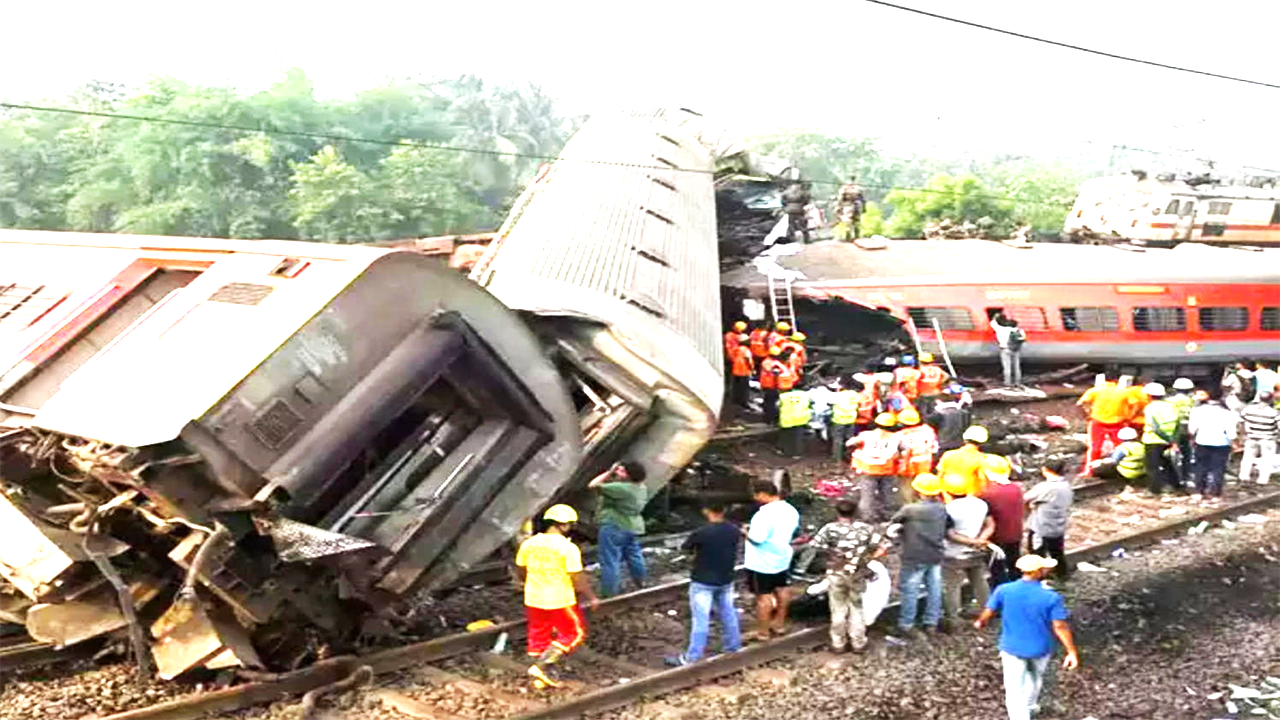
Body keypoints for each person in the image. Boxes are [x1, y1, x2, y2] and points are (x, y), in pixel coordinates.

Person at [974, 555, 1080, 720]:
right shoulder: (1051, 597)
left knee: (1014, 689)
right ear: (1037, 572)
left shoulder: (1004, 590)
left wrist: (981, 621)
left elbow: (989, 610)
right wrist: (1071, 651)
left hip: (1011, 647)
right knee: (1035, 678)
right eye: (1044, 568)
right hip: (1040, 647)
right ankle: (1030, 706)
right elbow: (1059, 626)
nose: (1047, 570)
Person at [516, 504, 599, 688]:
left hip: (533, 597)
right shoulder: (567, 548)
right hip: (560, 599)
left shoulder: (529, 544)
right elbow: (577, 576)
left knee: (538, 633)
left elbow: (522, 570)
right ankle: (542, 666)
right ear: (565, 525)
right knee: (574, 633)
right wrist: (591, 596)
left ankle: (539, 675)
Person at [806, 499, 887, 652]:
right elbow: (882, 548)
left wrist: (832, 554)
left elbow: (815, 546)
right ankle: (858, 642)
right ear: (855, 512)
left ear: (837, 512)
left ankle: (838, 643)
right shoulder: (866, 529)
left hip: (835, 573)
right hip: (857, 573)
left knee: (837, 608)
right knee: (856, 607)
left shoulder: (829, 529)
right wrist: (866, 559)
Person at [668, 501, 742, 666]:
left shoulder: (701, 532)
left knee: (700, 619)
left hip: (703, 580)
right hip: (726, 579)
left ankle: (692, 657)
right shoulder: (733, 530)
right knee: (728, 613)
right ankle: (733, 647)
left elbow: (686, 549)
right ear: (725, 509)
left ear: (706, 510)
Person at [890, 473, 950, 638]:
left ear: (918, 491)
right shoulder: (942, 509)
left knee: (910, 590)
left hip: (914, 555)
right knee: (935, 589)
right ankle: (931, 622)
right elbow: (949, 526)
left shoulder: (910, 509)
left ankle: (906, 624)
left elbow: (894, 522)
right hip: (935, 554)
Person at [743, 480, 800, 640]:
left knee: (764, 596)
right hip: (782, 557)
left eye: (755, 495)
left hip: (762, 562)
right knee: (782, 589)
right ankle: (779, 624)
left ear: (762, 494)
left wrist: (745, 532)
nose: (754, 498)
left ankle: (763, 632)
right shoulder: (791, 510)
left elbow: (757, 539)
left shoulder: (763, 515)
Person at [941, 473, 994, 627]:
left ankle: (954, 618)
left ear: (947, 491)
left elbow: (950, 535)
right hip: (976, 552)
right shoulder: (980, 504)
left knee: (952, 585)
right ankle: (987, 610)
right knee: (979, 580)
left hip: (953, 553)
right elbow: (990, 524)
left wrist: (973, 541)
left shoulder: (948, 509)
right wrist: (981, 539)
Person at [588, 462, 648, 597]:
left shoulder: (621, 488)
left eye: (621, 471)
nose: (617, 473)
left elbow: (593, 485)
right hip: (632, 527)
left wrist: (609, 472)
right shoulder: (641, 487)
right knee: (634, 555)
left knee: (610, 560)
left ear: (628, 475)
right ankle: (641, 582)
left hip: (614, 526)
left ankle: (610, 593)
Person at [847, 413, 906, 521]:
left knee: (867, 496)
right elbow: (906, 448)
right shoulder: (896, 437)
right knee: (888, 494)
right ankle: (889, 515)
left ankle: (867, 517)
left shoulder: (867, 435)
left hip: (868, 469)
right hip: (887, 469)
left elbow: (849, 443)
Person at [1024, 458, 1072, 580]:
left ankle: (1037, 578)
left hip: (1041, 527)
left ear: (1045, 470)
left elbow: (1024, 499)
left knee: (1036, 554)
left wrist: (1030, 508)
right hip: (1059, 525)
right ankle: (1062, 575)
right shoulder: (1066, 485)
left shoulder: (1044, 487)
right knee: (1057, 552)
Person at [979, 455, 1024, 587]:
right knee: (1014, 564)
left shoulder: (987, 494)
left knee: (997, 569)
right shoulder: (1016, 488)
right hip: (1015, 533)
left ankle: (1001, 595)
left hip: (997, 537)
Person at [1077, 372, 1132, 464]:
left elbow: (1080, 404)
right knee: (1120, 446)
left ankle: (1089, 471)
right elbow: (1133, 405)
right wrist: (1128, 416)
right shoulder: (1124, 392)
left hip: (1097, 422)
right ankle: (1120, 466)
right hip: (1117, 423)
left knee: (1094, 448)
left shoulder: (1095, 390)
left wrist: (1086, 415)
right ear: (1117, 381)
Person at [1189, 392, 1237, 496]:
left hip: (1202, 441)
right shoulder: (1226, 411)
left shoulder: (1198, 410)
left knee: (1201, 466)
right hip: (1221, 443)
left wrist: (1192, 437)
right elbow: (1231, 430)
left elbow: (1192, 428)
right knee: (1218, 468)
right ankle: (1215, 491)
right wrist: (1233, 442)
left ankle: (1200, 489)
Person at [1141, 382, 1182, 495]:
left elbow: (1154, 427)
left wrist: (1168, 439)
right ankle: (1175, 485)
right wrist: (1174, 440)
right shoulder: (1171, 406)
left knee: (1152, 466)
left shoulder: (1150, 408)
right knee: (1167, 463)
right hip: (1169, 439)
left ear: (1149, 395)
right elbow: (1178, 425)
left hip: (1153, 440)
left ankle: (1154, 490)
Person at [895, 408, 939, 503]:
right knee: (924, 486)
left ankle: (910, 504)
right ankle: (925, 503)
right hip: (926, 463)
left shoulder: (899, 435)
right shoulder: (928, 430)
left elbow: (897, 453)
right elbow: (935, 447)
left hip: (908, 465)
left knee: (907, 487)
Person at [937, 425, 990, 497]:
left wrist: (943, 493)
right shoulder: (981, 458)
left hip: (948, 490)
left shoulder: (948, 454)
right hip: (969, 493)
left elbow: (940, 475)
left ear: (965, 440)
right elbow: (982, 480)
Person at [1240, 392, 1279, 485]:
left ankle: (1244, 477)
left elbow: (1241, 421)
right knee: (1266, 460)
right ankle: (1262, 480)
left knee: (1247, 458)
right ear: (1270, 400)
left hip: (1251, 437)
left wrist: (1244, 434)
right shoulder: (1273, 412)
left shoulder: (1248, 409)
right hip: (1268, 439)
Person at [927, 390, 973, 459]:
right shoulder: (964, 413)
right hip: (961, 444)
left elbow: (931, 424)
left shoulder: (937, 414)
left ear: (939, 401)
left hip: (945, 445)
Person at [1168, 377, 1197, 484]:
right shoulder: (1194, 400)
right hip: (1188, 430)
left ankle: (1174, 477)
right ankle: (1186, 476)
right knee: (1187, 454)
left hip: (1174, 430)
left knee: (1172, 454)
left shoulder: (1170, 401)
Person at [828, 377, 862, 462]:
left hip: (839, 419)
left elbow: (829, 402)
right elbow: (858, 403)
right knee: (849, 438)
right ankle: (849, 456)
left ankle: (837, 457)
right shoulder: (854, 394)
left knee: (838, 439)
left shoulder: (838, 395)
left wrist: (836, 392)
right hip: (851, 419)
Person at [777, 384, 813, 458]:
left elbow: (777, 405)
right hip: (800, 418)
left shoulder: (784, 396)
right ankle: (797, 454)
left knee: (786, 436)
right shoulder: (806, 395)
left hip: (787, 419)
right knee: (797, 438)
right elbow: (811, 404)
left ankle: (784, 451)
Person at [990, 314, 1025, 388]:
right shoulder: (1019, 330)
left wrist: (995, 317)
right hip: (1016, 350)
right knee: (1016, 367)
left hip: (1005, 349)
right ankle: (1017, 383)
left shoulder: (1001, 329)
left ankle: (1007, 383)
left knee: (1007, 367)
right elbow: (1023, 339)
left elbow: (992, 323)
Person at [831, 175, 865, 241]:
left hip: (849, 205)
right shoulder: (858, 188)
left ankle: (849, 236)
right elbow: (862, 199)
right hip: (856, 204)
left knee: (848, 221)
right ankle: (855, 236)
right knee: (855, 221)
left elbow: (840, 198)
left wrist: (838, 207)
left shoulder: (845, 188)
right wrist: (863, 207)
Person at [759, 346, 787, 425]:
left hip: (769, 385)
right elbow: (775, 374)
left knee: (769, 402)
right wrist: (778, 385)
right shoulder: (772, 363)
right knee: (771, 403)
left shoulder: (767, 361)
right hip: (772, 386)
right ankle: (770, 419)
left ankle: (768, 418)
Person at [729, 334, 755, 408]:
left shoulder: (736, 349)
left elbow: (732, 357)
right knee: (744, 389)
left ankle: (736, 400)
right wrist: (752, 369)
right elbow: (748, 360)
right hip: (744, 372)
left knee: (737, 387)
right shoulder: (746, 350)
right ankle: (744, 402)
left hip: (735, 371)